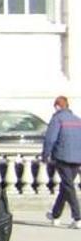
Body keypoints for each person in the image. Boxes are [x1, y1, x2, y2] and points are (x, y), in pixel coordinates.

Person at [42, 96, 81, 226]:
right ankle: (55, 215)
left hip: (62, 156)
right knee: (66, 186)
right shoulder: (77, 120)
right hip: (77, 158)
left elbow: (50, 139)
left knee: (69, 186)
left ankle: (77, 217)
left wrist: (45, 155)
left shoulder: (57, 119)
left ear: (57, 106)